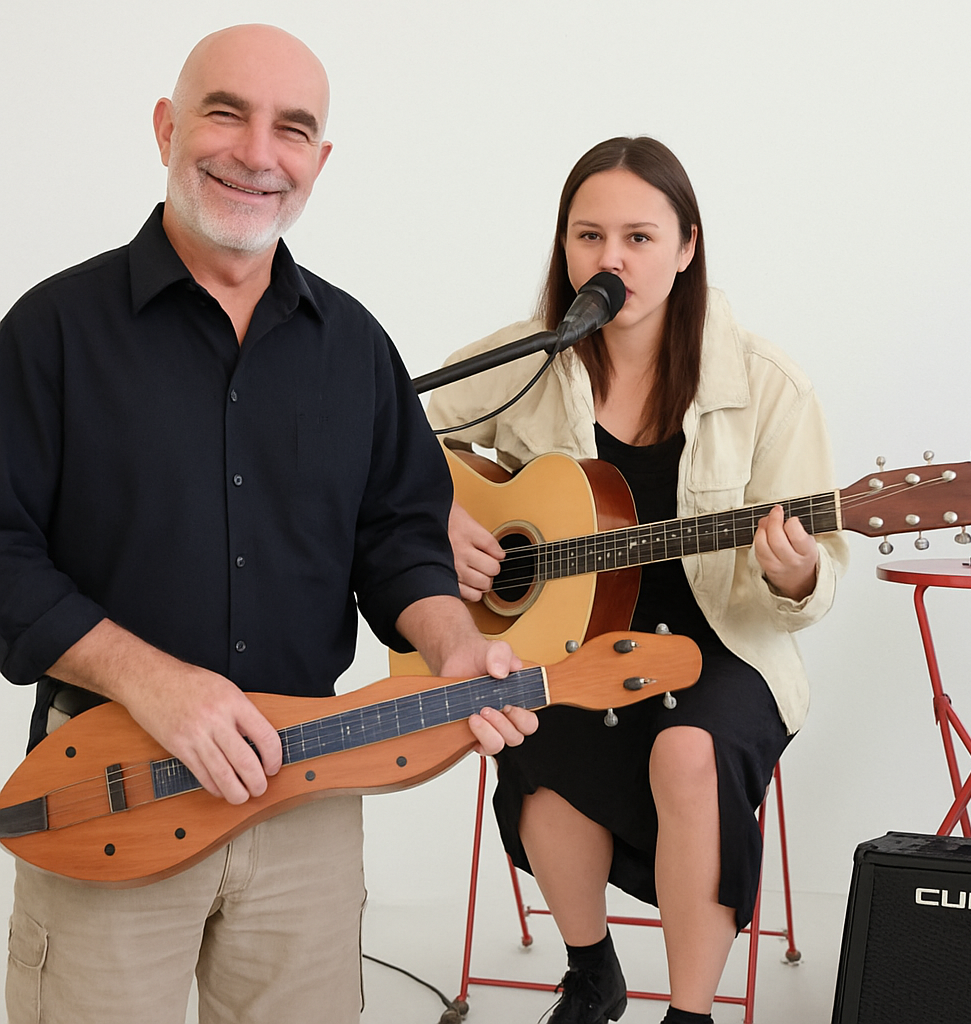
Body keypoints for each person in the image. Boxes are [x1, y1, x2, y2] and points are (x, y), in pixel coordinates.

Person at [0, 24, 536, 1024]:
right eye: (224, 113)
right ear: (165, 127)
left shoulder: (356, 347)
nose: (257, 151)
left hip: (309, 794)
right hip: (110, 784)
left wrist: (453, 643)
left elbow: (400, 537)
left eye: (292, 129)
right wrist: (155, 683)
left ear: (318, 162)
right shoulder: (51, 332)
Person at [427, 136, 848, 1024]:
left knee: (686, 751)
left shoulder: (768, 385)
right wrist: (448, 518)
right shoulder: (532, 358)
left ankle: (689, 1014)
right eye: (588, 236)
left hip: (722, 643)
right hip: (572, 635)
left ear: (688, 246)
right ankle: (592, 972)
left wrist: (797, 572)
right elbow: (394, 441)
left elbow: (818, 579)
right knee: (534, 739)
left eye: (638, 237)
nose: (608, 259)